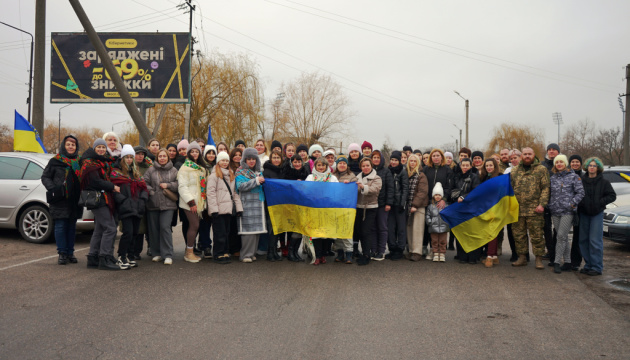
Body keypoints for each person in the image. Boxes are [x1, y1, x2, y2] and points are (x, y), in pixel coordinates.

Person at [80, 139, 124, 270]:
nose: (101, 149)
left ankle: (93, 258)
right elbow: (95, 182)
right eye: (98, 147)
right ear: (94, 148)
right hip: (97, 198)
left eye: (103, 148)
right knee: (110, 228)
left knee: (99, 229)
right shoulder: (89, 163)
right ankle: (103, 258)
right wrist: (112, 186)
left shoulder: (103, 161)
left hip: (104, 198)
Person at [41, 135, 82, 265]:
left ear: (76, 147)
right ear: (64, 146)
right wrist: (54, 189)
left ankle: (70, 252)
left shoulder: (79, 161)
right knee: (60, 226)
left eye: (73, 145)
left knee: (71, 227)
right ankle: (62, 253)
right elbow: (45, 177)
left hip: (74, 199)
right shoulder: (55, 161)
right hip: (59, 199)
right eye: (68, 144)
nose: (71, 146)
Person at [511, 147, 550, 269]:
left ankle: (538, 259)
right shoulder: (515, 170)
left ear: (534, 155)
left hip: (535, 209)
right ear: (521, 156)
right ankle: (522, 257)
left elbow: (545, 188)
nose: (527, 156)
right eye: (525, 154)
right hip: (518, 209)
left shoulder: (541, 170)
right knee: (519, 235)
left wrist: (542, 204)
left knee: (537, 235)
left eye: (529, 154)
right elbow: (510, 189)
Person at [110, 144, 149, 269]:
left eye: (131, 157)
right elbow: (115, 191)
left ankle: (130, 255)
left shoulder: (136, 173)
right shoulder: (117, 173)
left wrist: (142, 200)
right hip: (126, 207)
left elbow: (144, 188)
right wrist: (123, 201)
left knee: (135, 233)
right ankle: (121, 256)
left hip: (137, 206)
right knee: (127, 232)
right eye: (126, 157)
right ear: (122, 158)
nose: (129, 160)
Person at [578, 157, 616, 276]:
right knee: (583, 240)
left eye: (594, 166)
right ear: (587, 167)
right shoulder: (581, 181)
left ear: (598, 168)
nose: (592, 167)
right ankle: (588, 264)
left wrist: (600, 202)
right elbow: (577, 194)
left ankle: (596, 266)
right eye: (590, 165)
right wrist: (581, 203)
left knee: (595, 241)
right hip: (584, 213)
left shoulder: (604, 182)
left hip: (597, 214)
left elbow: (612, 196)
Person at [548, 155, 585, 274]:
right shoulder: (553, 178)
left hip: (567, 212)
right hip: (555, 211)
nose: (559, 164)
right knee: (562, 237)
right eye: (557, 162)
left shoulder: (574, 177)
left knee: (561, 236)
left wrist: (572, 204)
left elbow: (580, 193)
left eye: (561, 162)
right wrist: (550, 205)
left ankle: (557, 262)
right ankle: (568, 262)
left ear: (565, 164)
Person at [207, 151, 243, 264]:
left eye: (227, 160)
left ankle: (225, 251)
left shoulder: (231, 175)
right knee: (219, 233)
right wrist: (214, 210)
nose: (225, 162)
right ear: (218, 161)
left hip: (228, 209)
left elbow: (234, 193)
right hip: (218, 210)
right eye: (223, 160)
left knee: (227, 232)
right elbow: (211, 193)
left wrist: (239, 208)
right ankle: (218, 253)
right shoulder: (214, 176)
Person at [144, 148, 179, 265]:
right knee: (154, 229)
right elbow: (145, 183)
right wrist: (152, 192)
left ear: (168, 157)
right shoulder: (151, 170)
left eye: (164, 156)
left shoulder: (174, 170)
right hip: (153, 203)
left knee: (165, 227)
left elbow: (179, 184)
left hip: (169, 204)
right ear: (157, 158)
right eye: (160, 156)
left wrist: (168, 185)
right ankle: (156, 253)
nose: (162, 158)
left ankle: (168, 254)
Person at [236, 148, 267, 263]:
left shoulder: (258, 172)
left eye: (253, 158)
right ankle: (245, 255)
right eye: (248, 159)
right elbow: (241, 186)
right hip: (247, 205)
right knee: (247, 232)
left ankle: (252, 253)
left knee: (256, 232)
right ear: (244, 160)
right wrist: (256, 181)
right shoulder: (240, 171)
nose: (251, 161)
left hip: (258, 205)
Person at [177, 141, 206, 263]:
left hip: (199, 202)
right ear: (188, 153)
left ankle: (190, 250)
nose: (195, 153)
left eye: (197, 151)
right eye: (192, 151)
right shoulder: (185, 168)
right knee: (194, 225)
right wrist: (191, 202)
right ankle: (189, 252)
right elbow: (182, 187)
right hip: (190, 203)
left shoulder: (200, 168)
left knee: (195, 226)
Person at [306, 157, 339, 265]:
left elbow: (337, 191)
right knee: (316, 233)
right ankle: (317, 256)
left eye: (323, 165)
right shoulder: (311, 177)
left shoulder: (332, 178)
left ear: (326, 166)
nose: (321, 167)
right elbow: (306, 191)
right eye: (319, 165)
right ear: (315, 166)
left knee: (327, 233)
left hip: (328, 209)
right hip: (314, 209)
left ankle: (324, 255)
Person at [422, 149, 453, 259]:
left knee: (439, 226)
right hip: (428, 201)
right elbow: (423, 185)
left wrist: (444, 199)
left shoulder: (447, 170)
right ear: (431, 157)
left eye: (438, 155)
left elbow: (449, 187)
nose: (435, 157)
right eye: (433, 155)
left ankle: (439, 250)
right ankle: (431, 249)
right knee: (429, 225)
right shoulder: (426, 169)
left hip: (441, 203)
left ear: (441, 157)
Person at [452, 158, 481, 264]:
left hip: (471, 207)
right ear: (460, 166)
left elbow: (476, 191)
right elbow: (453, 189)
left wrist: (464, 197)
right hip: (459, 208)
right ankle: (462, 256)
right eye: (463, 165)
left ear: (470, 166)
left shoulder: (474, 177)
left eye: (467, 165)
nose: (465, 167)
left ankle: (473, 256)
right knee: (461, 231)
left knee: (471, 232)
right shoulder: (457, 177)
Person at [354, 157, 382, 266]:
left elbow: (374, 190)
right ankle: (362, 252)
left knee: (366, 231)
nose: (365, 168)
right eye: (363, 166)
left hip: (370, 208)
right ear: (361, 167)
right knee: (359, 231)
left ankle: (367, 254)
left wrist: (363, 187)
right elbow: (351, 188)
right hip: (358, 207)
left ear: (371, 166)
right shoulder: (356, 177)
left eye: (367, 165)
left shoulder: (377, 178)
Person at [282, 154, 309, 262]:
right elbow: (284, 187)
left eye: (299, 162)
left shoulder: (306, 173)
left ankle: (295, 252)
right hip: (290, 205)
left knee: (300, 229)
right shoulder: (287, 173)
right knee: (294, 229)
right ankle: (290, 253)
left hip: (302, 204)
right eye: (295, 162)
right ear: (291, 163)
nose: (297, 164)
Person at [332, 156, 357, 264]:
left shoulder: (351, 176)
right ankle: (340, 252)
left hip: (347, 208)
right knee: (337, 231)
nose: (342, 165)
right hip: (334, 208)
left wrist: (350, 185)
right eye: (340, 163)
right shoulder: (332, 176)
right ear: (337, 165)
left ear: (347, 165)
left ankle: (349, 253)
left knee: (346, 231)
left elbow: (358, 188)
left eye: (344, 163)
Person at [370, 150, 394, 261]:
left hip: (382, 204)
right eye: (374, 157)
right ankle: (374, 250)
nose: (376, 159)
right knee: (373, 228)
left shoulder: (386, 172)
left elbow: (390, 188)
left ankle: (381, 251)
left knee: (382, 228)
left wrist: (389, 203)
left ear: (381, 159)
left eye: (378, 157)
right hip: (371, 204)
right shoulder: (369, 171)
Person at [405, 154, 429, 262]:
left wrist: (415, 205)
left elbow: (422, 192)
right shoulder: (406, 174)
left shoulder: (421, 175)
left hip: (418, 206)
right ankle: (411, 250)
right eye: (411, 161)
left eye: (415, 161)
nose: (413, 163)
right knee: (409, 229)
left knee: (417, 230)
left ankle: (417, 252)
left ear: (418, 163)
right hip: (408, 205)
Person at [386, 150, 409, 261]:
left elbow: (405, 189)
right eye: (392, 160)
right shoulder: (388, 171)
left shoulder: (403, 172)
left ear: (399, 161)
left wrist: (402, 203)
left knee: (401, 228)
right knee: (390, 227)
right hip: (390, 203)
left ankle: (400, 249)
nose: (394, 162)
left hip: (399, 204)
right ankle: (392, 248)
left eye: (396, 160)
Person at [479, 158, 501, 267]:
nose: (489, 167)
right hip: (485, 208)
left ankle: (489, 256)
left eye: (491, 165)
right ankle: (494, 256)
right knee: (491, 231)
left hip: (495, 208)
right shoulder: (483, 178)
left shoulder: (499, 177)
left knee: (491, 231)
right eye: (487, 166)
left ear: (495, 166)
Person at [262, 150, 284, 261]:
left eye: (278, 158)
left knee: (278, 229)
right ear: (271, 159)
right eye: (274, 157)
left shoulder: (282, 171)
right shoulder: (267, 171)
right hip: (270, 203)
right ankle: (270, 252)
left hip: (281, 203)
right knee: (272, 228)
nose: (276, 160)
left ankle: (275, 250)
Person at [541, 143, 560, 266]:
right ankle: (551, 252)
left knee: (558, 230)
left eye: (554, 150)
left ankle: (557, 253)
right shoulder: (542, 165)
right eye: (549, 150)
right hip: (545, 201)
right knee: (546, 228)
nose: (551, 151)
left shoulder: (561, 164)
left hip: (559, 202)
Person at [132, 146, 152, 260]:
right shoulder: (128, 167)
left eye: (142, 154)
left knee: (142, 228)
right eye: (137, 154)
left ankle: (137, 251)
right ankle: (130, 251)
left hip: (144, 201)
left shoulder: (148, 168)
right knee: (133, 228)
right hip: (131, 201)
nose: (140, 156)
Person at [199, 145, 217, 258]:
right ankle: (206, 246)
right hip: (204, 199)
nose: (211, 155)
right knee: (205, 225)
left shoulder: (218, 166)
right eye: (209, 153)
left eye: (213, 153)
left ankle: (217, 246)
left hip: (216, 200)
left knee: (216, 225)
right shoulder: (201, 167)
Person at [425, 182, 449, 262]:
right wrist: (429, 222)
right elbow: (428, 215)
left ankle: (442, 253)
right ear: (433, 196)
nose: (437, 197)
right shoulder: (430, 206)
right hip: (433, 226)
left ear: (442, 196)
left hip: (443, 226)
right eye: (436, 195)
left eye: (439, 195)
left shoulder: (445, 205)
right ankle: (435, 253)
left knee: (443, 241)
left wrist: (447, 222)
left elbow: (448, 215)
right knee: (434, 241)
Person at [569, 154, 584, 270]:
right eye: (573, 161)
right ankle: (558, 258)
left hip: (581, 210)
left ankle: (575, 261)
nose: (575, 163)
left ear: (580, 164)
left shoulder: (585, 176)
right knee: (560, 234)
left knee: (577, 237)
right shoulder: (566, 175)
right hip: (567, 209)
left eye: (577, 162)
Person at [228, 148, 244, 256]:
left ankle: (239, 247)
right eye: (235, 155)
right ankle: (233, 248)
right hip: (232, 199)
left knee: (240, 225)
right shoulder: (229, 168)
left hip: (242, 199)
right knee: (232, 226)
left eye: (240, 155)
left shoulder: (244, 168)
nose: (237, 157)